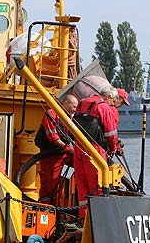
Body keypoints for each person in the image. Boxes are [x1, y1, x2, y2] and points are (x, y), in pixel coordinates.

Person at [73, 86, 122, 218]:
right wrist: (112, 149)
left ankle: (84, 220)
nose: (113, 104)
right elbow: (111, 133)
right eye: (113, 100)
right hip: (95, 151)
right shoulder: (103, 106)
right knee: (98, 186)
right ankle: (98, 220)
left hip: (78, 148)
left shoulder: (82, 102)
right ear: (109, 97)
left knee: (82, 187)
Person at [35, 94, 78, 202]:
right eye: (74, 106)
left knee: (82, 165)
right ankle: (47, 208)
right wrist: (67, 148)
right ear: (66, 103)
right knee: (50, 184)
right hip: (50, 155)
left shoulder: (70, 118)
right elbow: (53, 137)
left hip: (63, 153)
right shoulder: (51, 114)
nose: (75, 109)